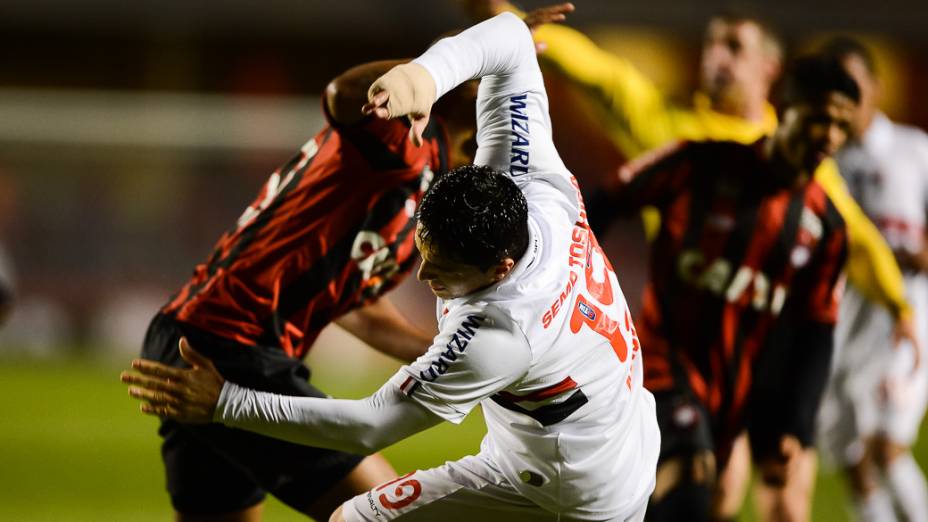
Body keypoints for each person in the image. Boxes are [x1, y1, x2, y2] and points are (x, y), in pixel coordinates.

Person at [122, 12, 660, 522]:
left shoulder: (496, 325)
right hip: (222, 343)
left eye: (442, 272)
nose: (424, 279)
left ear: (498, 268)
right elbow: (507, 41)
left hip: (567, 483)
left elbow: (371, 422)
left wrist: (226, 402)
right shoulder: (528, 182)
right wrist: (425, 73)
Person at [461, 4, 917, 519]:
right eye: (713, 44)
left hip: (749, 363)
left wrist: (900, 310)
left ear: (771, 73)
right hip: (669, 351)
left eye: (735, 46)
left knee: (743, 497)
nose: (718, 58)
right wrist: (514, 32)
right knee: (690, 480)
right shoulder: (690, 146)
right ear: (788, 107)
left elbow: (845, 274)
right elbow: (603, 95)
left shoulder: (821, 208)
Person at [135, 55, 481, 521]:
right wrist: (443, 58)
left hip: (208, 338)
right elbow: (342, 96)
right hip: (233, 344)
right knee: (389, 514)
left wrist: (460, 358)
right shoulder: (410, 142)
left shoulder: (427, 187)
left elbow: (358, 308)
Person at [600, 54, 859, 521]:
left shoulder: (827, 227)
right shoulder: (702, 164)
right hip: (659, 365)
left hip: (735, 391)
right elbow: (604, 201)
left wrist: (794, 425)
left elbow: (816, 332)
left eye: (843, 125)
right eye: (819, 117)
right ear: (782, 104)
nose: (830, 136)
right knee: (690, 483)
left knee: (708, 501)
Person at [816, 36, 928, 522]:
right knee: (852, 456)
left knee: (887, 445)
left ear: (875, 88)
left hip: (908, 315)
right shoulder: (826, 164)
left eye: (852, 83)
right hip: (847, 324)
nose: (844, 96)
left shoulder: (914, 149)